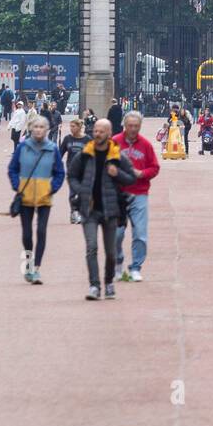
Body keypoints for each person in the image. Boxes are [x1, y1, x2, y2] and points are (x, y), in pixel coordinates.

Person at [68, 118, 138, 299]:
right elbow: (72, 175)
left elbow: (131, 178)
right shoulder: (85, 154)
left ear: (109, 133)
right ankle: (94, 286)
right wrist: (81, 190)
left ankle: (108, 283)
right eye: (95, 131)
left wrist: (118, 173)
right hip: (89, 209)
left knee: (111, 252)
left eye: (101, 131)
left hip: (110, 209)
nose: (97, 134)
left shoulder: (117, 155)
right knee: (91, 248)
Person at [6, 114, 64, 286]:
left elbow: (60, 172)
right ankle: (29, 262)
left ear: (47, 130)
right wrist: (17, 186)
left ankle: (36, 268)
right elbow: (12, 169)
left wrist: (52, 188)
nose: (38, 130)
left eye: (42, 127)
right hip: (26, 195)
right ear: (31, 129)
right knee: (27, 234)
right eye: (36, 127)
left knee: (41, 231)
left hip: (44, 196)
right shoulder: (22, 147)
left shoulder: (52, 149)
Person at [114, 111, 159, 282]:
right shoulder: (115, 142)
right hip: (118, 194)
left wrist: (142, 173)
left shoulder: (145, 145)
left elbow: (154, 167)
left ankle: (135, 267)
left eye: (136, 126)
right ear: (124, 125)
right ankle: (118, 261)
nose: (133, 129)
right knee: (116, 234)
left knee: (140, 233)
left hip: (139, 193)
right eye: (130, 126)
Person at [60, 116, 89, 224]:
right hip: (72, 171)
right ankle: (74, 212)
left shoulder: (87, 140)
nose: (71, 128)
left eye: (73, 126)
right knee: (73, 193)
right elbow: (60, 153)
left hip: (84, 170)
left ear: (79, 127)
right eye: (70, 126)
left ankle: (81, 212)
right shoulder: (67, 139)